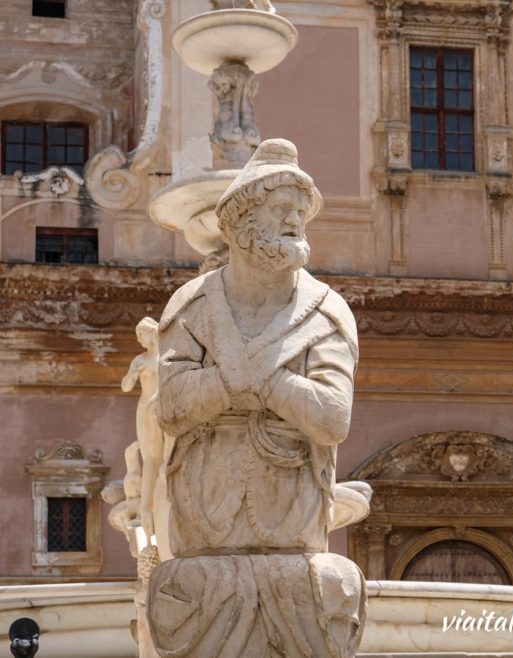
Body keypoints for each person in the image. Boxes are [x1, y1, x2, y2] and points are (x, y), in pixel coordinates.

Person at [148, 139, 365, 658]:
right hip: (207, 518)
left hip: (291, 519)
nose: (295, 221)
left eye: (300, 212)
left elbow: (333, 418)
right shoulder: (192, 305)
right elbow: (171, 406)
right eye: (281, 209)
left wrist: (255, 380)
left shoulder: (325, 311)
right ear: (243, 222)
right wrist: (256, 382)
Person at [121, 317, 169, 556]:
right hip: (145, 408)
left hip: (162, 408)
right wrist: (131, 375)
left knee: (163, 457)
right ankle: (145, 506)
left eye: (142, 334)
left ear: (153, 333)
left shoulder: (167, 358)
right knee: (151, 457)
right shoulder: (139, 360)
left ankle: (156, 501)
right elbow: (126, 387)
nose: (139, 340)